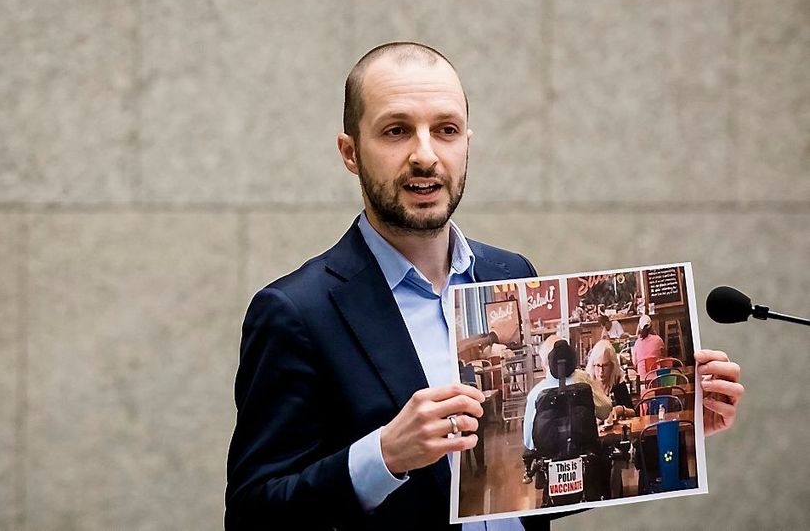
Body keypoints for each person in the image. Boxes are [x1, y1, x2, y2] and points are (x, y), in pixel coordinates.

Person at [226, 42, 745, 531]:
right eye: (396, 131)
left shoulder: (509, 273)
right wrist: (383, 456)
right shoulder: (297, 311)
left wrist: (675, 426)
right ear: (349, 152)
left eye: (446, 130)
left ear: (467, 144)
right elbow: (253, 515)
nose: (425, 156)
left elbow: (516, 506)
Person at [523, 335, 613, 451]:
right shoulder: (582, 380)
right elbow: (605, 410)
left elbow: (529, 441)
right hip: (585, 455)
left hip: (549, 460)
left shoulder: (536, 394)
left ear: (545, 364)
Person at [585, 339, 635, 420]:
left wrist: (622, 410)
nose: (601, 371)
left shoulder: (617, 382)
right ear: (592, 365)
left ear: (612, 366)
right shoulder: (588, 386)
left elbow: (634, 413)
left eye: (605, 365)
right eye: (598, 365)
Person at [632, 314, 666, 380]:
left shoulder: (637, 343)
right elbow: (664, 358)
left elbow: (634, 363)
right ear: (652, 325)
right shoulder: (658, 339)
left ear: (639, 327)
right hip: (659, 380)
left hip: (643, 383)